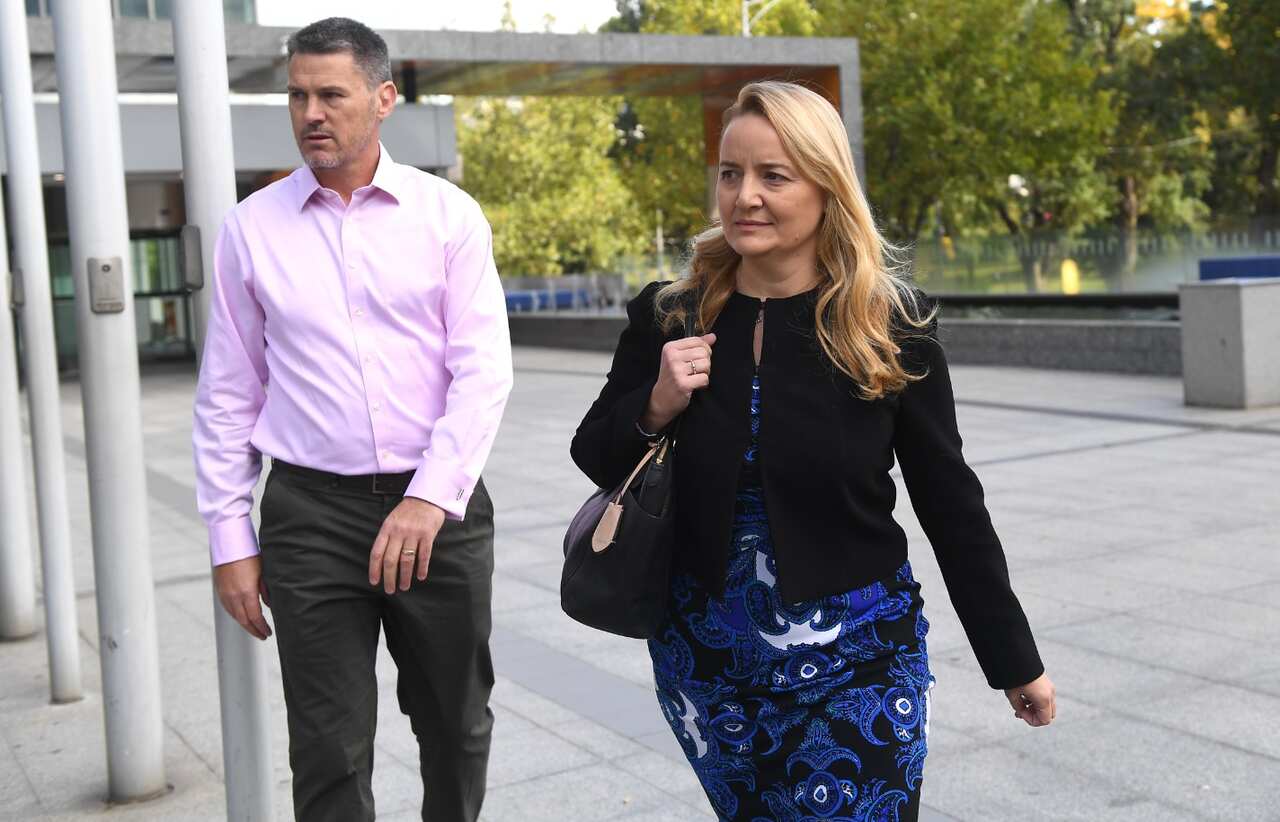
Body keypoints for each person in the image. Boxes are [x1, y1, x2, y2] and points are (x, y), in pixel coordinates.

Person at [570, 81, 1055, 821]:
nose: (745, 196)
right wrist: (656, 403)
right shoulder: (670, 314)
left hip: (860, 655)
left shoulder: (888, 325)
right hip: (707, 664)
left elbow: (951, 502)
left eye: (774, 176)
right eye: (731, 173)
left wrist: (1012, 657)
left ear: (827, 188)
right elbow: (596, 455)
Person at [192, 18, 512, 822]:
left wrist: (429, 497)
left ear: (383, 98)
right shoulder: (250, 228)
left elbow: (483, 371)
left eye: (331, 95)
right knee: (327, 749)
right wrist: (230, 540)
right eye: (297, 96)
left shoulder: (448, 216)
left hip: (437, 512)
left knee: (456, 725)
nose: (311, 113)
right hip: (311, 515)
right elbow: (229, 392)